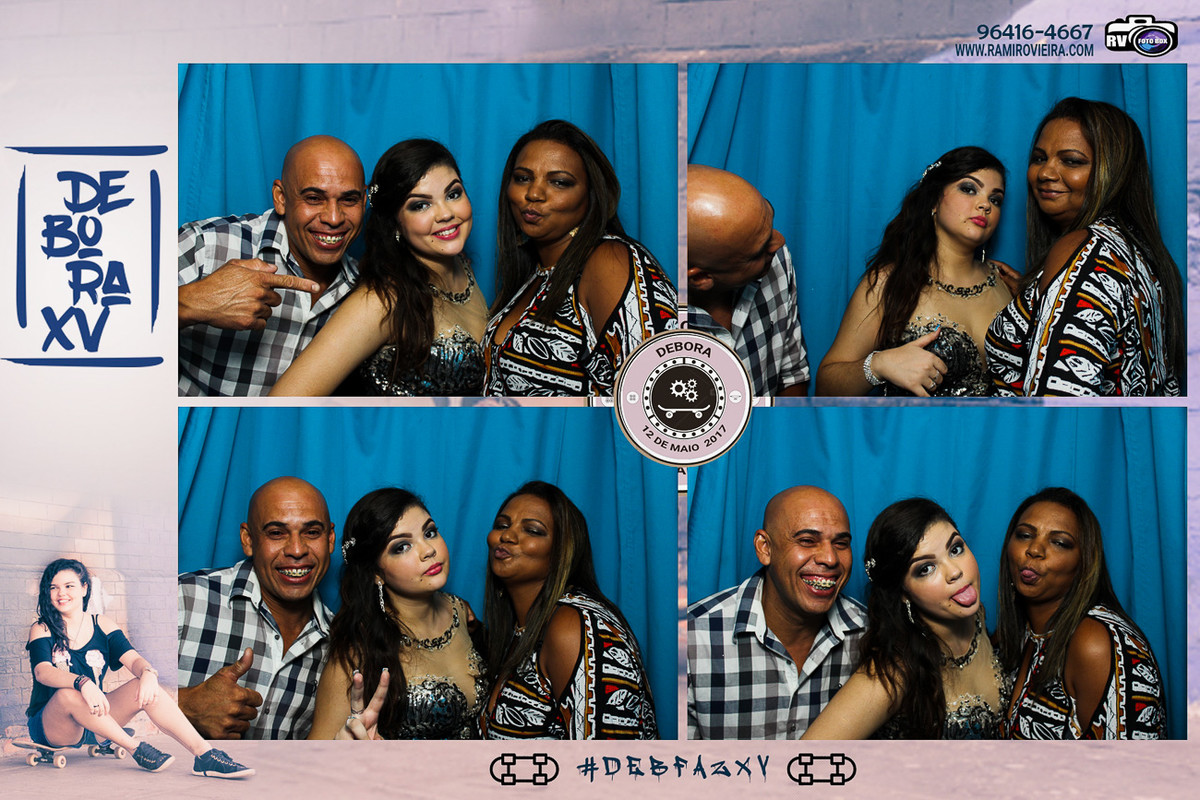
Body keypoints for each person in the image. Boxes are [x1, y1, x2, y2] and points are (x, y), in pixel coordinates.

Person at [986, 98, 1183, 396]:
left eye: (1071, 161)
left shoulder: (1083, 248)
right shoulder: (1137, 250)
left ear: (1113, 171)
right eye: (1039, 158)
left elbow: (1059, 402)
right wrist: (1034, 301)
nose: (1045, 172)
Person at [270, 140, 487, 396]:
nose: (446, 214)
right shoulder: (382, 299)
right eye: (420, 205)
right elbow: (283, 401)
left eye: (453, 194)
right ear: (396, 223)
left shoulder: (461, 267)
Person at [484, 120, 678, 396]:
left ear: (592, 195)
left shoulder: (608, 261)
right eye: (523, 178)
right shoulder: (533, 275)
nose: (533, 194)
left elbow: (662, 391)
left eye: (559, 182)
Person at [27, 559, 253, 778]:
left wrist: (147, 673)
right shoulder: (42, 628)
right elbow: (42, 671)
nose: (61, 593)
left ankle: (205, 755)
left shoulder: (101, 624)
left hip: (97, 719)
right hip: (55, 725)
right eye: (54, 587)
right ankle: (136, 749)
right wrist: (82, 682)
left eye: (69, 586)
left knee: (144, 686)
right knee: (67, 694)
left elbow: (134, 660)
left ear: (84, 588)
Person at [803, 498, 1007, 739]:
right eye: (926, 568)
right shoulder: (896, 671)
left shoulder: (976, 615)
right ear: (903, 593)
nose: (955, 571)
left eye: (955, 549)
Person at [178, 135, 366, 396]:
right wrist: (190, 302)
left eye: (349, 200)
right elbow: (120, 323)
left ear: (364, 201)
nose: (334, 218)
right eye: (314, 198)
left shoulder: (366, 289)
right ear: (281, 198)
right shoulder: (206, 245)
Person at [817, 147, 1012, 397]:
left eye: (995, 199)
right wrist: (878, 365)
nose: (985, 205)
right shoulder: (889, 282)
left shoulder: (1008, 285)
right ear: (934, 200)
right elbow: (826, 387)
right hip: (913, 424)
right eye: (969, 189)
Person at [480, 481, 657, 738]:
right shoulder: (524, 628)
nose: (507, 536)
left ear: (562, 552)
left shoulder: (573, 625)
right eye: (502, 525)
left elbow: (608, 757)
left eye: (532, 530)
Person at [687, 486, 866, 739]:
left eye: (841, 543)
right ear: (765, 548)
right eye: (807, 541)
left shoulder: (872, 634)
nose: (830, 558)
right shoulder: (692, 637)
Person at [308, 488, 486, 739]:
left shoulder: (461, 612)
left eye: (430, 532)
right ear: (376, 573)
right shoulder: (356, 652)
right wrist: (348, 753)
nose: (428, 550)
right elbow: (316, 753)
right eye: (402, 546)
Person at [996, 487, 1166, 739]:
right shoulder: (1021, 634)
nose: (1034, 549)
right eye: (1024, 535)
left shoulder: (1093, 642)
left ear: (1084, 563)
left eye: (1059, 542)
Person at [177, 476, 335, 739]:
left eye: (311, 532)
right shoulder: (184, 598)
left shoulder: (341, 645)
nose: (297, 550)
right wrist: (183, 705)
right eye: (276, 533)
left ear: (330, 539)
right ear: (248, 540)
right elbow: (105, 700)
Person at [687, 164, 810, 397]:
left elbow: (792, 374)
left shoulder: (775, 260)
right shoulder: (655, 324)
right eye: (759, 250)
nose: (780, 242)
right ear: (701, 278)